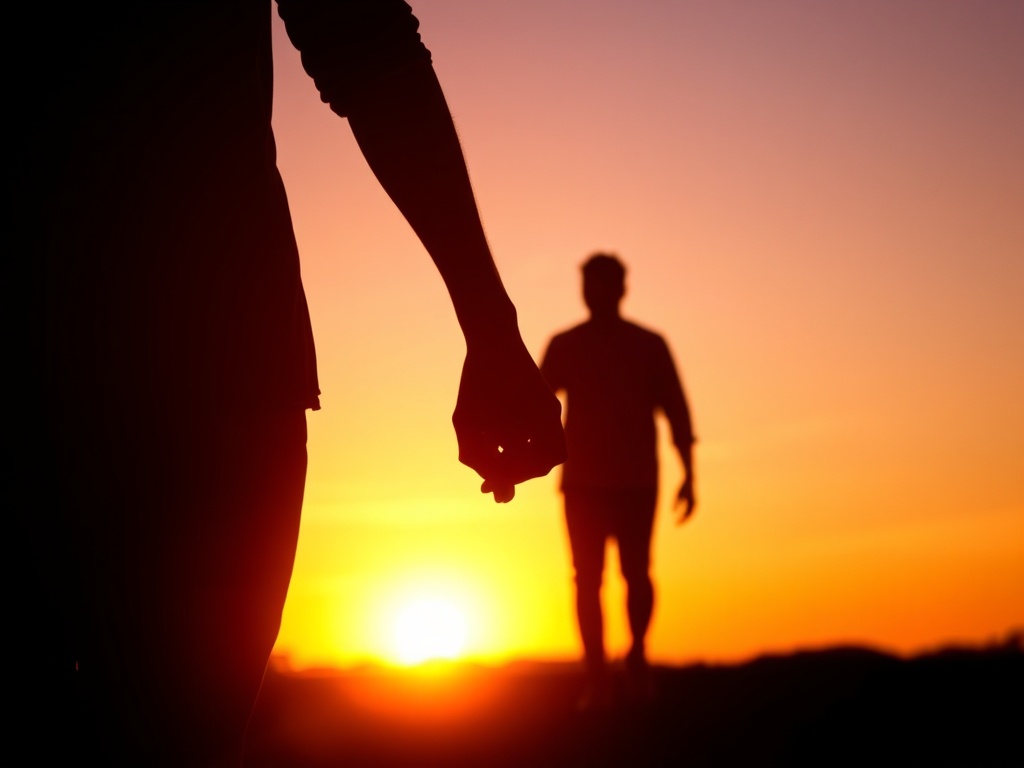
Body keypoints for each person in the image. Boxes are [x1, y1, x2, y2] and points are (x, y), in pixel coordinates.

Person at [18, 2, 565, 764]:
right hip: (217, 355)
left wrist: (492, 330)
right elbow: (369, 54)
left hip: (218, 359)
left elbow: (367, 49)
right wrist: (489, 328)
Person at [540, 253, 696, 709]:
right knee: (586, 580)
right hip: (583, 482)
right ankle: (596, 675)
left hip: (636, 480)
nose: (596, 293)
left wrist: (690, 474)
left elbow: (677, 411)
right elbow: (536, 403)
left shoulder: (649, 345)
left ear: (621, 288)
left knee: (637, 574)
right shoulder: (565, 344)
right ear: (583, 289)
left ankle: (638, 658)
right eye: (590, 284)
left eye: (604, 284)